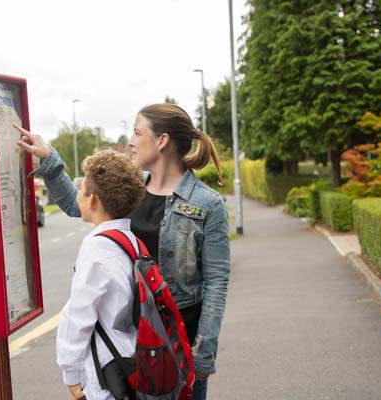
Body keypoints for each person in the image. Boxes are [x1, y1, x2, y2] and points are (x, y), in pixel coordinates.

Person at [15, 103, 231, 400]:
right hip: (132, 350)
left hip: (178, 351)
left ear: (161, 141)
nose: (130, 140)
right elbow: (78, 203)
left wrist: (204, 351)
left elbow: (216, 282)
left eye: (137, 132)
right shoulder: (133, 190)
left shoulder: (208, 204)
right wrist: (49, 159)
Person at [55, 150, 146, 400]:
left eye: (82, 190)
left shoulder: (97, 248)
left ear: (93, 201)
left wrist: (70, 373)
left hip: (105, 372)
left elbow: (79, 315)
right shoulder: (131, 241)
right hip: (129, 355)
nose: (78, 196)